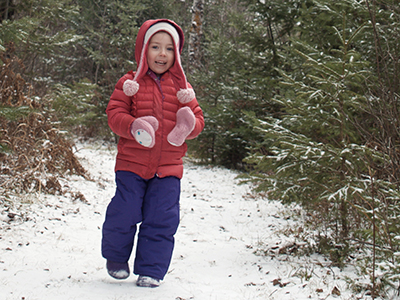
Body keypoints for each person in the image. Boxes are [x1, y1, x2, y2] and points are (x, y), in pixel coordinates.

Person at [101, 19, 204, 288]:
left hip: (168, 166)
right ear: (143, 49)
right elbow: (114, 114)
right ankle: (116, 258)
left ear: (176, 54)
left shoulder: (183, 88)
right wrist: (133, 125)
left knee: (162, 217)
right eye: (155, 46)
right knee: (126, 210)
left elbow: (198, 118)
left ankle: (151, 269)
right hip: (132, 163)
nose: (162, 54)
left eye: (169, 49)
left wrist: (189, 126)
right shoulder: (129, 83)